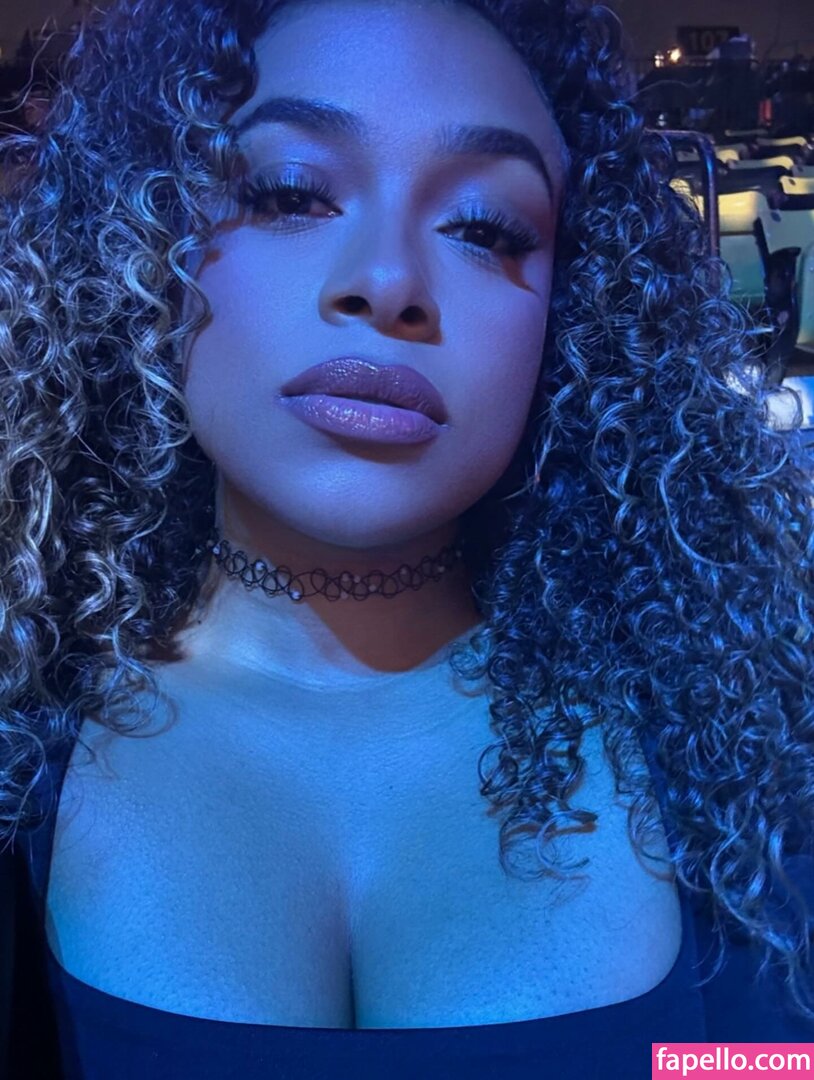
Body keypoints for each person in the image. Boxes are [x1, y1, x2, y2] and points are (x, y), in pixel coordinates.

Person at [1, 0, 813, 1077]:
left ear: (576, 308)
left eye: (484, 228)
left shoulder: (740, 744)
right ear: (142, 241)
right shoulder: (23, 737)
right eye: (288, 193)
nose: (386, 283)